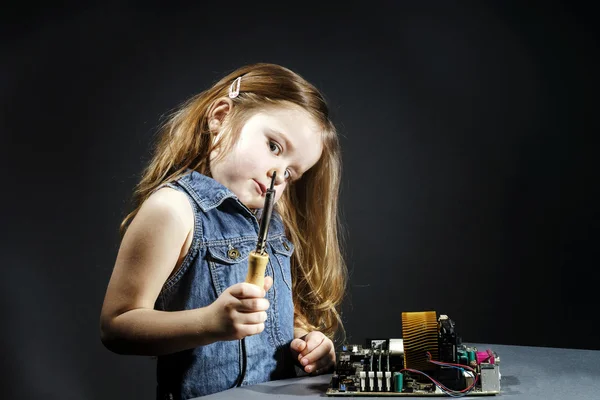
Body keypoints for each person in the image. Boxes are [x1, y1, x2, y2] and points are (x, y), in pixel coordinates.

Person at [99, 63, 347, 399]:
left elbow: (273, 317)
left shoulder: (272, 220)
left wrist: (308, 342)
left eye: (291, 174)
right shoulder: (173, 210)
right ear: (220, 116)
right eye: (274, 146)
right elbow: (117, 327)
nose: (278, 175)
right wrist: (211, 322)